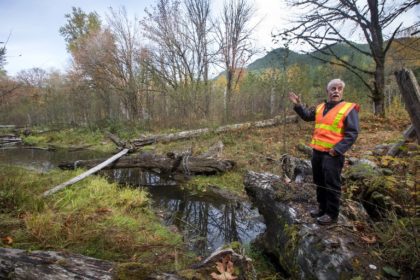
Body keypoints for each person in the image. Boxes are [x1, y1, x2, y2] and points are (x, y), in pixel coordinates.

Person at [288, 79, 360, 225]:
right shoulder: (321, 107)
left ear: (342, 91)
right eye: (333, 88)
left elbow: (352, 133)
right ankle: (322, 208)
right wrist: (298, 105)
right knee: (319, 181)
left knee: (332, 184)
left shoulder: (348, 108)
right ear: (328, 91)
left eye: (340, 88)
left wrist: (338, 149)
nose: (336, 91)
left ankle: (332, 214)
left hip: (332, 154)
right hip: (317, 152)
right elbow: (307, 116)